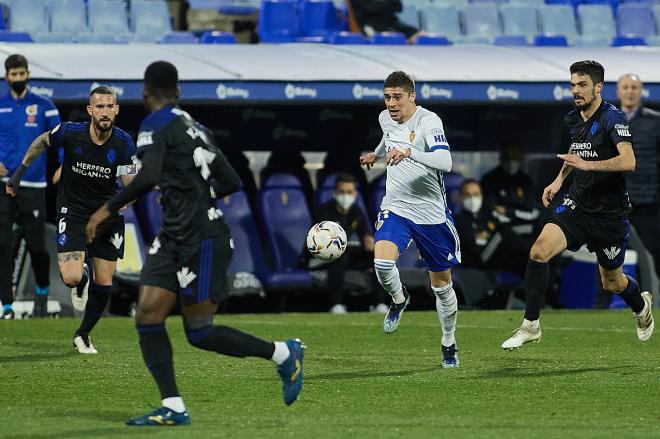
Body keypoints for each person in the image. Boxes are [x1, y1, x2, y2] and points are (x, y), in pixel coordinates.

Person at [86, 61, 305, 426]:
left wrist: (104, 211)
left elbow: (149, 175)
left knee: (200, 332)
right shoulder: (196, 127)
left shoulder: (155, 123)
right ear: (178, 91)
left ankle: (284, 354)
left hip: (201, 238)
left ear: (145, 90)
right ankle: (173, 405)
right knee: (148, 316)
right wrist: (184, 191)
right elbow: (231, 181)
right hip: (175, 235)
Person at [501, 60, 654, 350]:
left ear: (598, 88)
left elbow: (629, 161)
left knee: (612, 282)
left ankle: (641, 305)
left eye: (582, 84)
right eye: (572, 84)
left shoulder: (614, 118)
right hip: (577, 204)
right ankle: (530, 325)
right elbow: (576, 150)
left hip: (608, 214)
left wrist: (588, 164)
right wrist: (559, 180)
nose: (576, 90)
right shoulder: (574, 118)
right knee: (538, 251)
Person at [6, 86, 136, 353]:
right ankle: (82, 280)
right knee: (71, 277)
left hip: (106, 217)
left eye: (109, 106)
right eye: (99, 106)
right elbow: (41, 141)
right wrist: (19, 174)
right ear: (90, 110)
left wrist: (128, 196)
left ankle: (83, 334)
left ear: (117, 110)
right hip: (74, 211)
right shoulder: (70, 132)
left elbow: (131, 182)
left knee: (105, 282)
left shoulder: (124, 143)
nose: (104, 112)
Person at [359, 71, 461, 368]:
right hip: (398, 207)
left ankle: (448, 341)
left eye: (397, 97)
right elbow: (387, 138)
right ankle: (399, 298)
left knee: (441, 286)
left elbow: (446, 162)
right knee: (381, 262)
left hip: (430, 214)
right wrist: (376, 155)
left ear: (412, 96)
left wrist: (411, 153)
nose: (391, 103)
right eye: (387, 97)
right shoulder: (384, 118)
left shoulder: (429, 122)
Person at [0, 54, 61, 319]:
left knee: (37, 247)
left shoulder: (44, 106)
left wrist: (61, 165)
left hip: (33, 185)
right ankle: (6, 305)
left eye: (21, 73)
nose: (17, 78)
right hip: (3, 186)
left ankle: (42, 293)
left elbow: (60, 138)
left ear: (28, 74)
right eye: (13, 75)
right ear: (6, 77)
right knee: (3, 246)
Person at [312, 173, 386, 314]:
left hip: (344, 255)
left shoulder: (356, 211)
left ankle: (379, 304)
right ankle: (336, 305)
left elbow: (365, 232)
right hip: (320, 257)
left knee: (379, 254)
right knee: (341, 254)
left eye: (349, 192)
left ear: (355, 193)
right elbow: (322, 242)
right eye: (342, 192)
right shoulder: (325, 211)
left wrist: (368, 238)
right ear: (334, 193)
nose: (346, 196)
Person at [616, 74, 660, 279]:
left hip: (647, 202)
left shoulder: (655, 121)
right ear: (618, 92)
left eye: (634, 87)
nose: (630, 91)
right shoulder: (608, 120)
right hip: (615, 201)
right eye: (625, 87)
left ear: (641, 92)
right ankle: (603, 305)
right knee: (611, 253)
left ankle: (653, 300)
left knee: (651, 253)